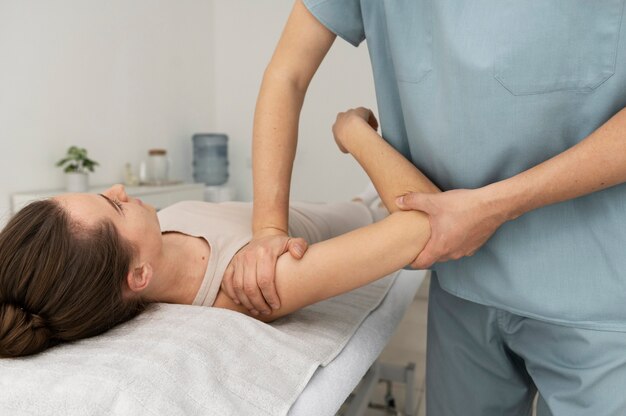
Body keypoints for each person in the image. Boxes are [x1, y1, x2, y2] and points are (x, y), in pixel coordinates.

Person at [224, 1, 626, 415]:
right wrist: (269, 229)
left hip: (598, 293)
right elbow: (286, 75)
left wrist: (355, 134)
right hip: (461, 283)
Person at [0, 108, 438, 358]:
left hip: (340, 204)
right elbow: (426, 219)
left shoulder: (160, 234)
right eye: (114, 206)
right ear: (138, 276)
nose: (118, 189)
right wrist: (352, 132)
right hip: (373, 211)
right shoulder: (253, 286)